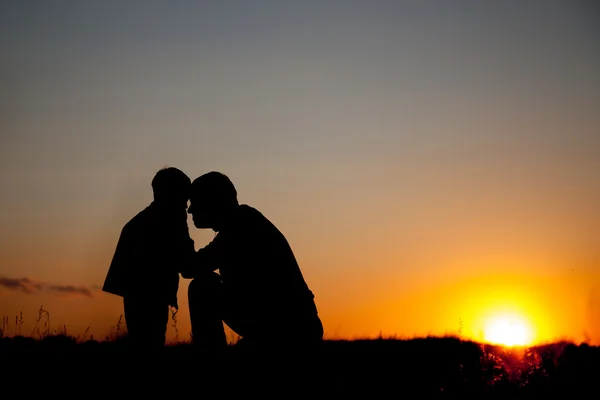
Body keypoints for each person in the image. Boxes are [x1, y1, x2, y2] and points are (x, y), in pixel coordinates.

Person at [182, 171, 324, 351]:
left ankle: (212, 364)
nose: (190, 210)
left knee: (202, 288)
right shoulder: (244, 221)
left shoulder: (240, 227)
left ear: (213, 201)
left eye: (196, 202)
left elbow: (190, 267)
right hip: (291, 325)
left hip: (291, 327)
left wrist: (179, 228)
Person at [102, 167, 195, 350]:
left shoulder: (138, 222)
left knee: (144, 342)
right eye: (183, 198)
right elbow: (186, 262)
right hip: (149, 294)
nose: (186, 206)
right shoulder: (170, 219)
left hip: (138, 294)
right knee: (150, 343)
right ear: (170, 194)